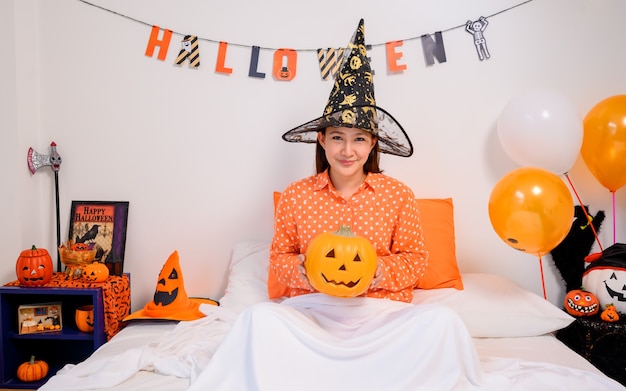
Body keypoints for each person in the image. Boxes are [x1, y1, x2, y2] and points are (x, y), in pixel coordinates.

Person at [270, 18, 427, 303]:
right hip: (314, 308)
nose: (347, 150)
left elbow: (416, 260)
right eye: (337, 137)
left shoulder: (398, 195)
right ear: (322, 140)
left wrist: (380, 270)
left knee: (443, 321)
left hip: (380, 310)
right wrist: (302, 270)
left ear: (372, 144)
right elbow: (279, 258)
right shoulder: (295, 195)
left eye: (358, 139)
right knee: (257, 318)